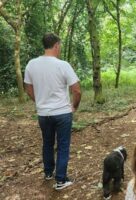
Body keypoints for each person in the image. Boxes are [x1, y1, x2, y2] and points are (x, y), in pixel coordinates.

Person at [24, 33, 81, 190]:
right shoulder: (63, 65)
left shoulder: (31, 64)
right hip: (62, 113)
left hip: (43, 114)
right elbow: (77, 90)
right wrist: (74, 106)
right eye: (60, 46)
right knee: (63, 146)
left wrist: (39, 101)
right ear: (56, 45)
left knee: (47, 143)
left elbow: (28, 88)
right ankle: (61, 180)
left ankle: (48, 173)